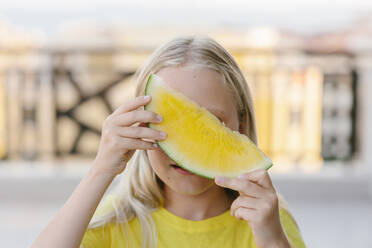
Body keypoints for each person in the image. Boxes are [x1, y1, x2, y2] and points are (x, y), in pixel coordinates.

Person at [31, 35, 306, 248]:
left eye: (213, 123)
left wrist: (272, 241)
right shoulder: (114, 221)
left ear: (241, 126)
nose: (189, 147)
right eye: (169, 122)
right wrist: (101, 169)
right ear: (140, 124)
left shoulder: (269, 223)